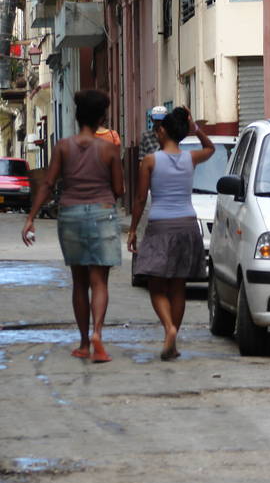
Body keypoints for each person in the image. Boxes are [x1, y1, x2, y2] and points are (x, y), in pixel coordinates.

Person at [21, 90, 124, 363]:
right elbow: (119, 189)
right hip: (102, 212)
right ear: (101, 117)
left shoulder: (63, 147)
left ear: (77, 117)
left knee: (79, 282)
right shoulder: (109, 149)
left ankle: (83, 343)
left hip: (70, 214)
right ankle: (98, 334)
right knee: (99, 281)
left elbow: (48, 184)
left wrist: (31, 218)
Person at [127, 107, 214, 361]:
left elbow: (140, 199)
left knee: (155, 285)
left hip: (160, 227)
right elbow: (211, 148)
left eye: (159, 128)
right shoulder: (191, 158)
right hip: (187, 225)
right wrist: (195, 128)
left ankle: (169, 329)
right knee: (178, 286)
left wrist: (132, 230)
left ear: (164, 131)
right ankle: (172, 342)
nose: (156, 131)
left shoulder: (150, 161)